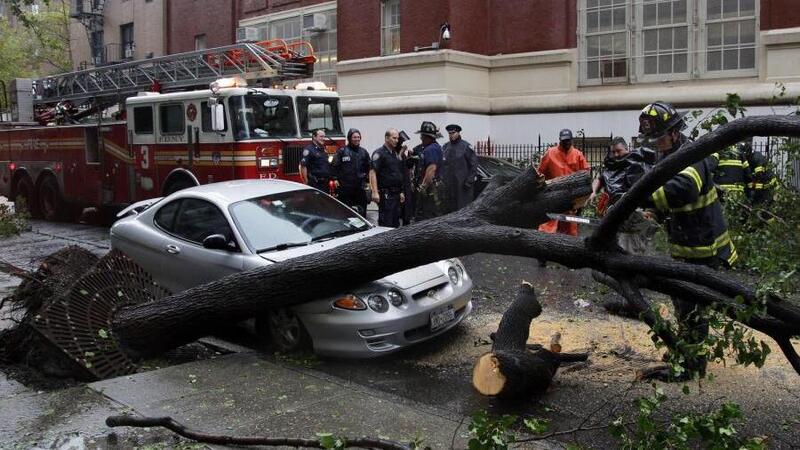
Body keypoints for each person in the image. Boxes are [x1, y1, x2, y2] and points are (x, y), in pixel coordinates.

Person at [638, 101, 737, 381]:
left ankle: (692, 366)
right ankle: (686, 351)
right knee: (683, 304)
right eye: (652, 140)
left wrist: (640, 195)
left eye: (658, 138)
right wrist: (651, 212)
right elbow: (662, 191)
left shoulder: (693, 155)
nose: (655, 144)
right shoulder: (667, 154)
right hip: (686, 243)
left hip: (703, 246)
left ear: (674, 132)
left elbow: (682, 190)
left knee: (693, 307)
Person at [589, 136, 654, 254]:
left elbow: (645, 190)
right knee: (610, 249)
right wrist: (594, 192)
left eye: (619, 151)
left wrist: (644, 210)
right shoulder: (612, 167)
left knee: (628, 251)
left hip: (631, 216)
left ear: (626, 149)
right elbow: (600, 179)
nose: (616, 155)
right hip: (613, 215)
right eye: (613, 152)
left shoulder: (637, 165)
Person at [537, 129, 590, 237]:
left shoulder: (577, 155)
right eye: (564, 141)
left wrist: (581, 198)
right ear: (560, 140)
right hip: (552, 196)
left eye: (568, 140)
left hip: (571, 198)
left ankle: (568, 248)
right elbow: (540, 173)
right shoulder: (550, 153)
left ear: (572, 140)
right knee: (548, 226)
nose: (566, 143)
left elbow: (586, 175)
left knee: (569, 228)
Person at [369, 128, 406, 227]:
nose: (396, 141)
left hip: (396, 194)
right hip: (386, 194)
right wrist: (375, 192)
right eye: (394, 138)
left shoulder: (394, 153)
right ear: (386, 138)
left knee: (395, 221)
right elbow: (372, 172)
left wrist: (401, 191)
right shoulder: (379, 153)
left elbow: (396, 173)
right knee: (386, 221)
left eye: (397, 138)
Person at [331, 128, 370, 215]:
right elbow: (334, 166)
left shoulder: (364, 152)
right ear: (349, 138)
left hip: (360, 188)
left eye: (358, 137)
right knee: (347, 212)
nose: (357, 139)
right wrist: (335, 179)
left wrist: (367, 181)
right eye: (354, 137)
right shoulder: (342, 151)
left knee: (362, 211)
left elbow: (369, 168)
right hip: (345, 188)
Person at [440, 124, 477, 213]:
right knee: (448, 210)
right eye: (449, 133)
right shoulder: (445, 147)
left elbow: (473, 165)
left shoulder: (466, 146)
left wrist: (468, 181)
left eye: (453, 133)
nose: (451, 135)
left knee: (462, 211)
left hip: (462, 185)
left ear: (458, 133)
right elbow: (442, 164)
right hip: (448, 185)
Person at [411, 121, 444, 221]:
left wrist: (423, 187)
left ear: (426, 137)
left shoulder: (430, 149)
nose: (421, 138)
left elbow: (431, 169)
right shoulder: (434, 147)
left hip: (430, 191)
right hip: (434, 191)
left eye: (422, 136)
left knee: (426, 217)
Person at [741, 140, 777, 205]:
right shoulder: (748, 158)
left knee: (762, 204)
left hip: (767, 184)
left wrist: (752, 188)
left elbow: (759, 174)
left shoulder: (756, 157)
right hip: (761, 183)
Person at [299, 129, 333, 193]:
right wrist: (306, 182)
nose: (323, 138)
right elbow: (302, 166)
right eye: (321, 136)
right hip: (315, 184)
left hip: (325, 184)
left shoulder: (323, 150)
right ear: (314, 137)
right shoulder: (309, 150)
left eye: (324, 136)